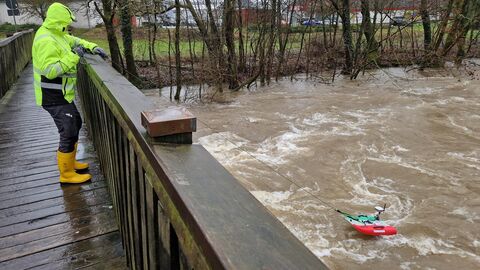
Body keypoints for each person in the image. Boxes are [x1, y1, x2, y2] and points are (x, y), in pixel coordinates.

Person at [32, 2, 107, 184]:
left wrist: (92, 47)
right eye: (67, 22)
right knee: (68, 130)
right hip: (52, 96)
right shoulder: (46, 40)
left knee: (75, 123)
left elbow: (76, 42)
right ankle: (66, 174)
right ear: (60, 21)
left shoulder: (58, 35)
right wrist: (74, 56)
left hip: (62, 95)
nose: (69, 25)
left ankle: (71, 163)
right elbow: (51, 70)